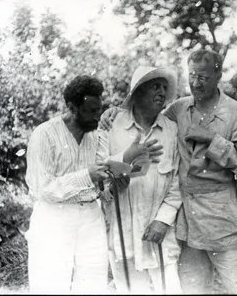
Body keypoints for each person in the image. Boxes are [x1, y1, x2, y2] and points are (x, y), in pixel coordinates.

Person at [100, 49, 237, 294]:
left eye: (204, 77)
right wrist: (113, 112)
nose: (196, 83)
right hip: (189, 223)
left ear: (218, 76)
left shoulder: (236, 113)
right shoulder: (179, 109)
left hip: (226, 220)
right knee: (191, 288)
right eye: (192, 75)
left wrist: (212, 139)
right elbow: (147, 116)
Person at [25, 75, 162, 294]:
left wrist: (123, 171)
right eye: (91, 111)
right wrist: (86, 175)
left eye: (100, 109)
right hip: (53, 217)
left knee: (92, 284)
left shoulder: (98, 135)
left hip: (91, 216)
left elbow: (103, 175)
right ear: (72, 107)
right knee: (50, 285)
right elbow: (43, 188)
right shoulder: (45, 134)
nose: (98, 116)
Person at [102, 66, 183, 294]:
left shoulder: (172, 131)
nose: (162, 92)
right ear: (137, 92)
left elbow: (178, 181)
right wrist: (113, 185)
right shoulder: (110, 126)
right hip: (122, 229)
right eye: (155, 86)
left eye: (164, 88)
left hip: (159, 233)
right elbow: (97, 174)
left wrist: (163, 220)